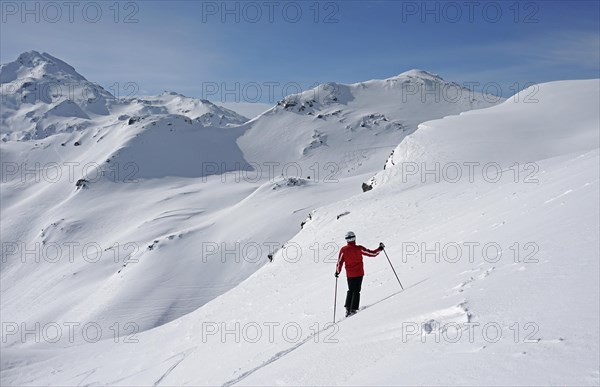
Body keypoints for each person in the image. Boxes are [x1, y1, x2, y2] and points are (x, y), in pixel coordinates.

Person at [335, 231, 384, 317]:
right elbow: (371, 253)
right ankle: (353, 309)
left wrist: (337, 271)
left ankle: (348, 308)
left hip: (350, 274)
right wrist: (380, 249)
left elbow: (340, 262)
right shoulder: (359, 248)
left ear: (347, 239)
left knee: (350, 290)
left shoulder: (344, 250)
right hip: (359, 273)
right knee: (356, 291)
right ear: (354, 238)